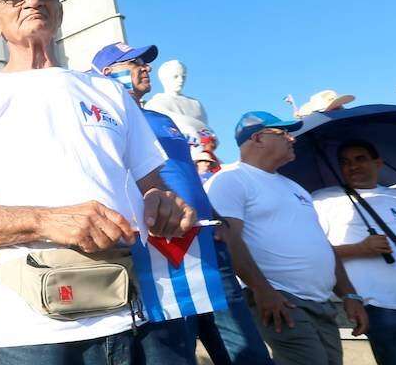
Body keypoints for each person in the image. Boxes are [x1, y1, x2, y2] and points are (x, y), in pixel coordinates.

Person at [0, 0, 194, 363]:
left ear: (60, 10)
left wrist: (163, 202)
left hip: (140, 318)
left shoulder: (109, 93)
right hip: (34, 330)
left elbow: (153, 184)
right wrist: (47, 219)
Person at [93, 41, 269, 365]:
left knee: (249, 354)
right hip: (159, 257)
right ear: (107, 75)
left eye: (145, 62)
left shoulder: (163, 118)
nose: (145, 68)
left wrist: (216, 217)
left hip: (207, 247)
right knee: (172, 356)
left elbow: (184, 174)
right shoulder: (103, 123)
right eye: (133, 63)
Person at [204, 111, 369, 365]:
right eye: (283, 133)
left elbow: (322, 245)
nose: (292, 139)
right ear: (258, 138)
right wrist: (262, 290)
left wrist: (349, 294)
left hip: (321, 303)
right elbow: (228, 239)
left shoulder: (295, 187)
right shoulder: (230, 179)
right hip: (281, 300)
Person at [312, 140, 396, 365]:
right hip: (377, 306)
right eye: (345, 162)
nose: (352, 166)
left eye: (360, 159)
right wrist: (359, 249)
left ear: (378, 163)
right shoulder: (323, 200)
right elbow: (314, 252)